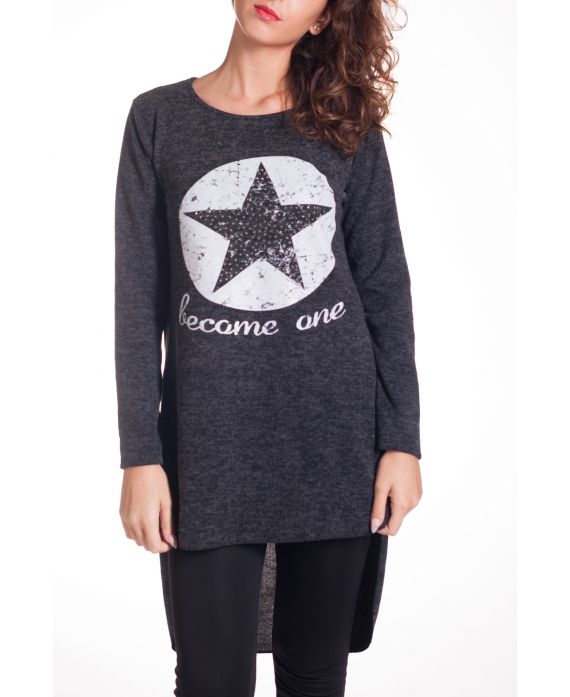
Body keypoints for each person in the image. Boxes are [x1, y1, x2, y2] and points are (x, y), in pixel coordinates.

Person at [114, 1, 423, 695]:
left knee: (315, 675)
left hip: (335, 440)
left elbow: (384, 288)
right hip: (208, 446)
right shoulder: (158, 118)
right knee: (209, 680)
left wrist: (401, 440)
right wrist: (140, 454)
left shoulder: (346, 125)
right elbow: (137, 300)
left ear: (323, 19)